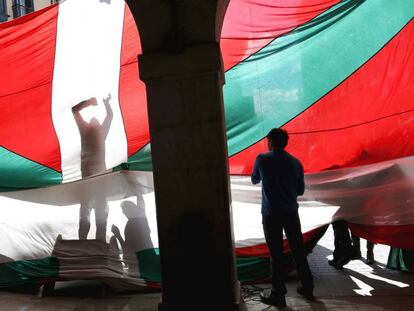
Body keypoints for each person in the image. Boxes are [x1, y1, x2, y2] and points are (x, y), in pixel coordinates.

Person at [251, 128, 314, 307]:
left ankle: (278, 294)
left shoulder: (262, 159)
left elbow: (254, 179)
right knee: (298, 251)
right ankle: (308, 288)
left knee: (276, 255)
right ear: (285, 143)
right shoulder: (296, 163)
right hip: (291, 213)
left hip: (271, 214)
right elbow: (300, 191)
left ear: (270, 141)